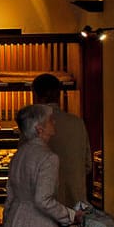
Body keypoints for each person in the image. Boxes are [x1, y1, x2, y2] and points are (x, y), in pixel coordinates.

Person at [32, 73, 89, 208]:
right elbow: (87, 165)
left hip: (45, 208)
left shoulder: (32, 127)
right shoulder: (77, 123)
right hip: (75, 205)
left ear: (36, 96)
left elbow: (24, 168)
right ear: (59, 94)